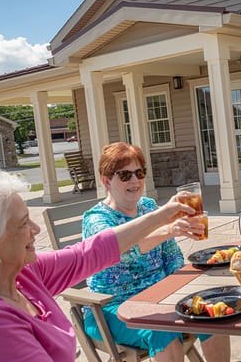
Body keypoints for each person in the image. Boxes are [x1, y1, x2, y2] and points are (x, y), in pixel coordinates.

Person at [0, 170, 202, 361]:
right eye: (24, 223)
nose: (36, 229)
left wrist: (161, 216)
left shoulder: (21, 276)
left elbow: (90, 253)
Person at [82, 142, 230, 362]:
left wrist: (185, 290)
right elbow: (120, 250)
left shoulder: (148, 207)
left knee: (211, 310)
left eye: (139, 173)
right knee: (162, 329)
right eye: (125, 175)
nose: (135, 181)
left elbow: (172, 256)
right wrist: (167, 229)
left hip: (160, 299)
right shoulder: (96, 220)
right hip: (111, 308)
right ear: (106, 181)